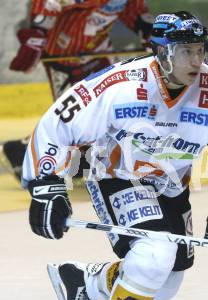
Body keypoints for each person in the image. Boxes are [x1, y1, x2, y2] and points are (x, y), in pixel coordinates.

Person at [23, 11, 208, 300]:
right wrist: (47, 185)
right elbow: (57, 124)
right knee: (154, 255)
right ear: (162, 52)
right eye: (186, 51)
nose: (196, 60)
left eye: (200, 49)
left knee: (165, 284)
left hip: (171, 183)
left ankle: (83, 280)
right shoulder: (118, 86)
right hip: (117, 173)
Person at [1, 0, 153, 181]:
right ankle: (21, 151)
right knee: (73, 119)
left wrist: (150, 31)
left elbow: (134, 11)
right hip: (63, 57)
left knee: (116, 105)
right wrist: (36, 35)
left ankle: (88, 158)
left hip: (98, 51)